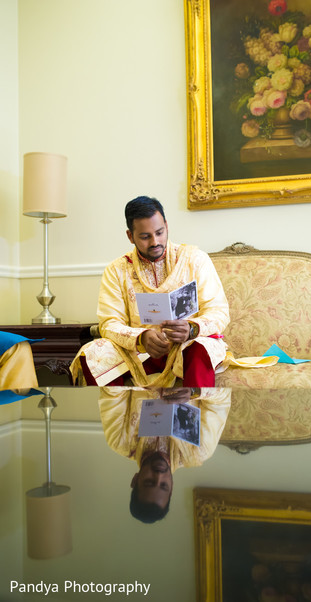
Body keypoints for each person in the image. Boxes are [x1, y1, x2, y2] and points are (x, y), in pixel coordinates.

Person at [70, 196, 230, 387]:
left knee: (199, 349)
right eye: (145, 237)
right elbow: (109, 323)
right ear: (130, 236)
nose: (155, 242)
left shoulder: (194, 259)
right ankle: (123, 416)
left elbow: (219, 312)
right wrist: (140, 338)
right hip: (139, 352)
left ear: (167, 226)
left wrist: (191, 328)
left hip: (186, 345)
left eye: (159, 232)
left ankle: (194, 416)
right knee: (92, 353)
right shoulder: (116, 270)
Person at [98, 386, 231, 523]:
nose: (159, 475)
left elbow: (109, 390)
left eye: (149, 482)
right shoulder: (199, 450)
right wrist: (194, 392)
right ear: (172, 487)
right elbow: (223, 396)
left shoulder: (119, 441)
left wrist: (150, 386)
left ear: (135, 480)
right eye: (163, 485)